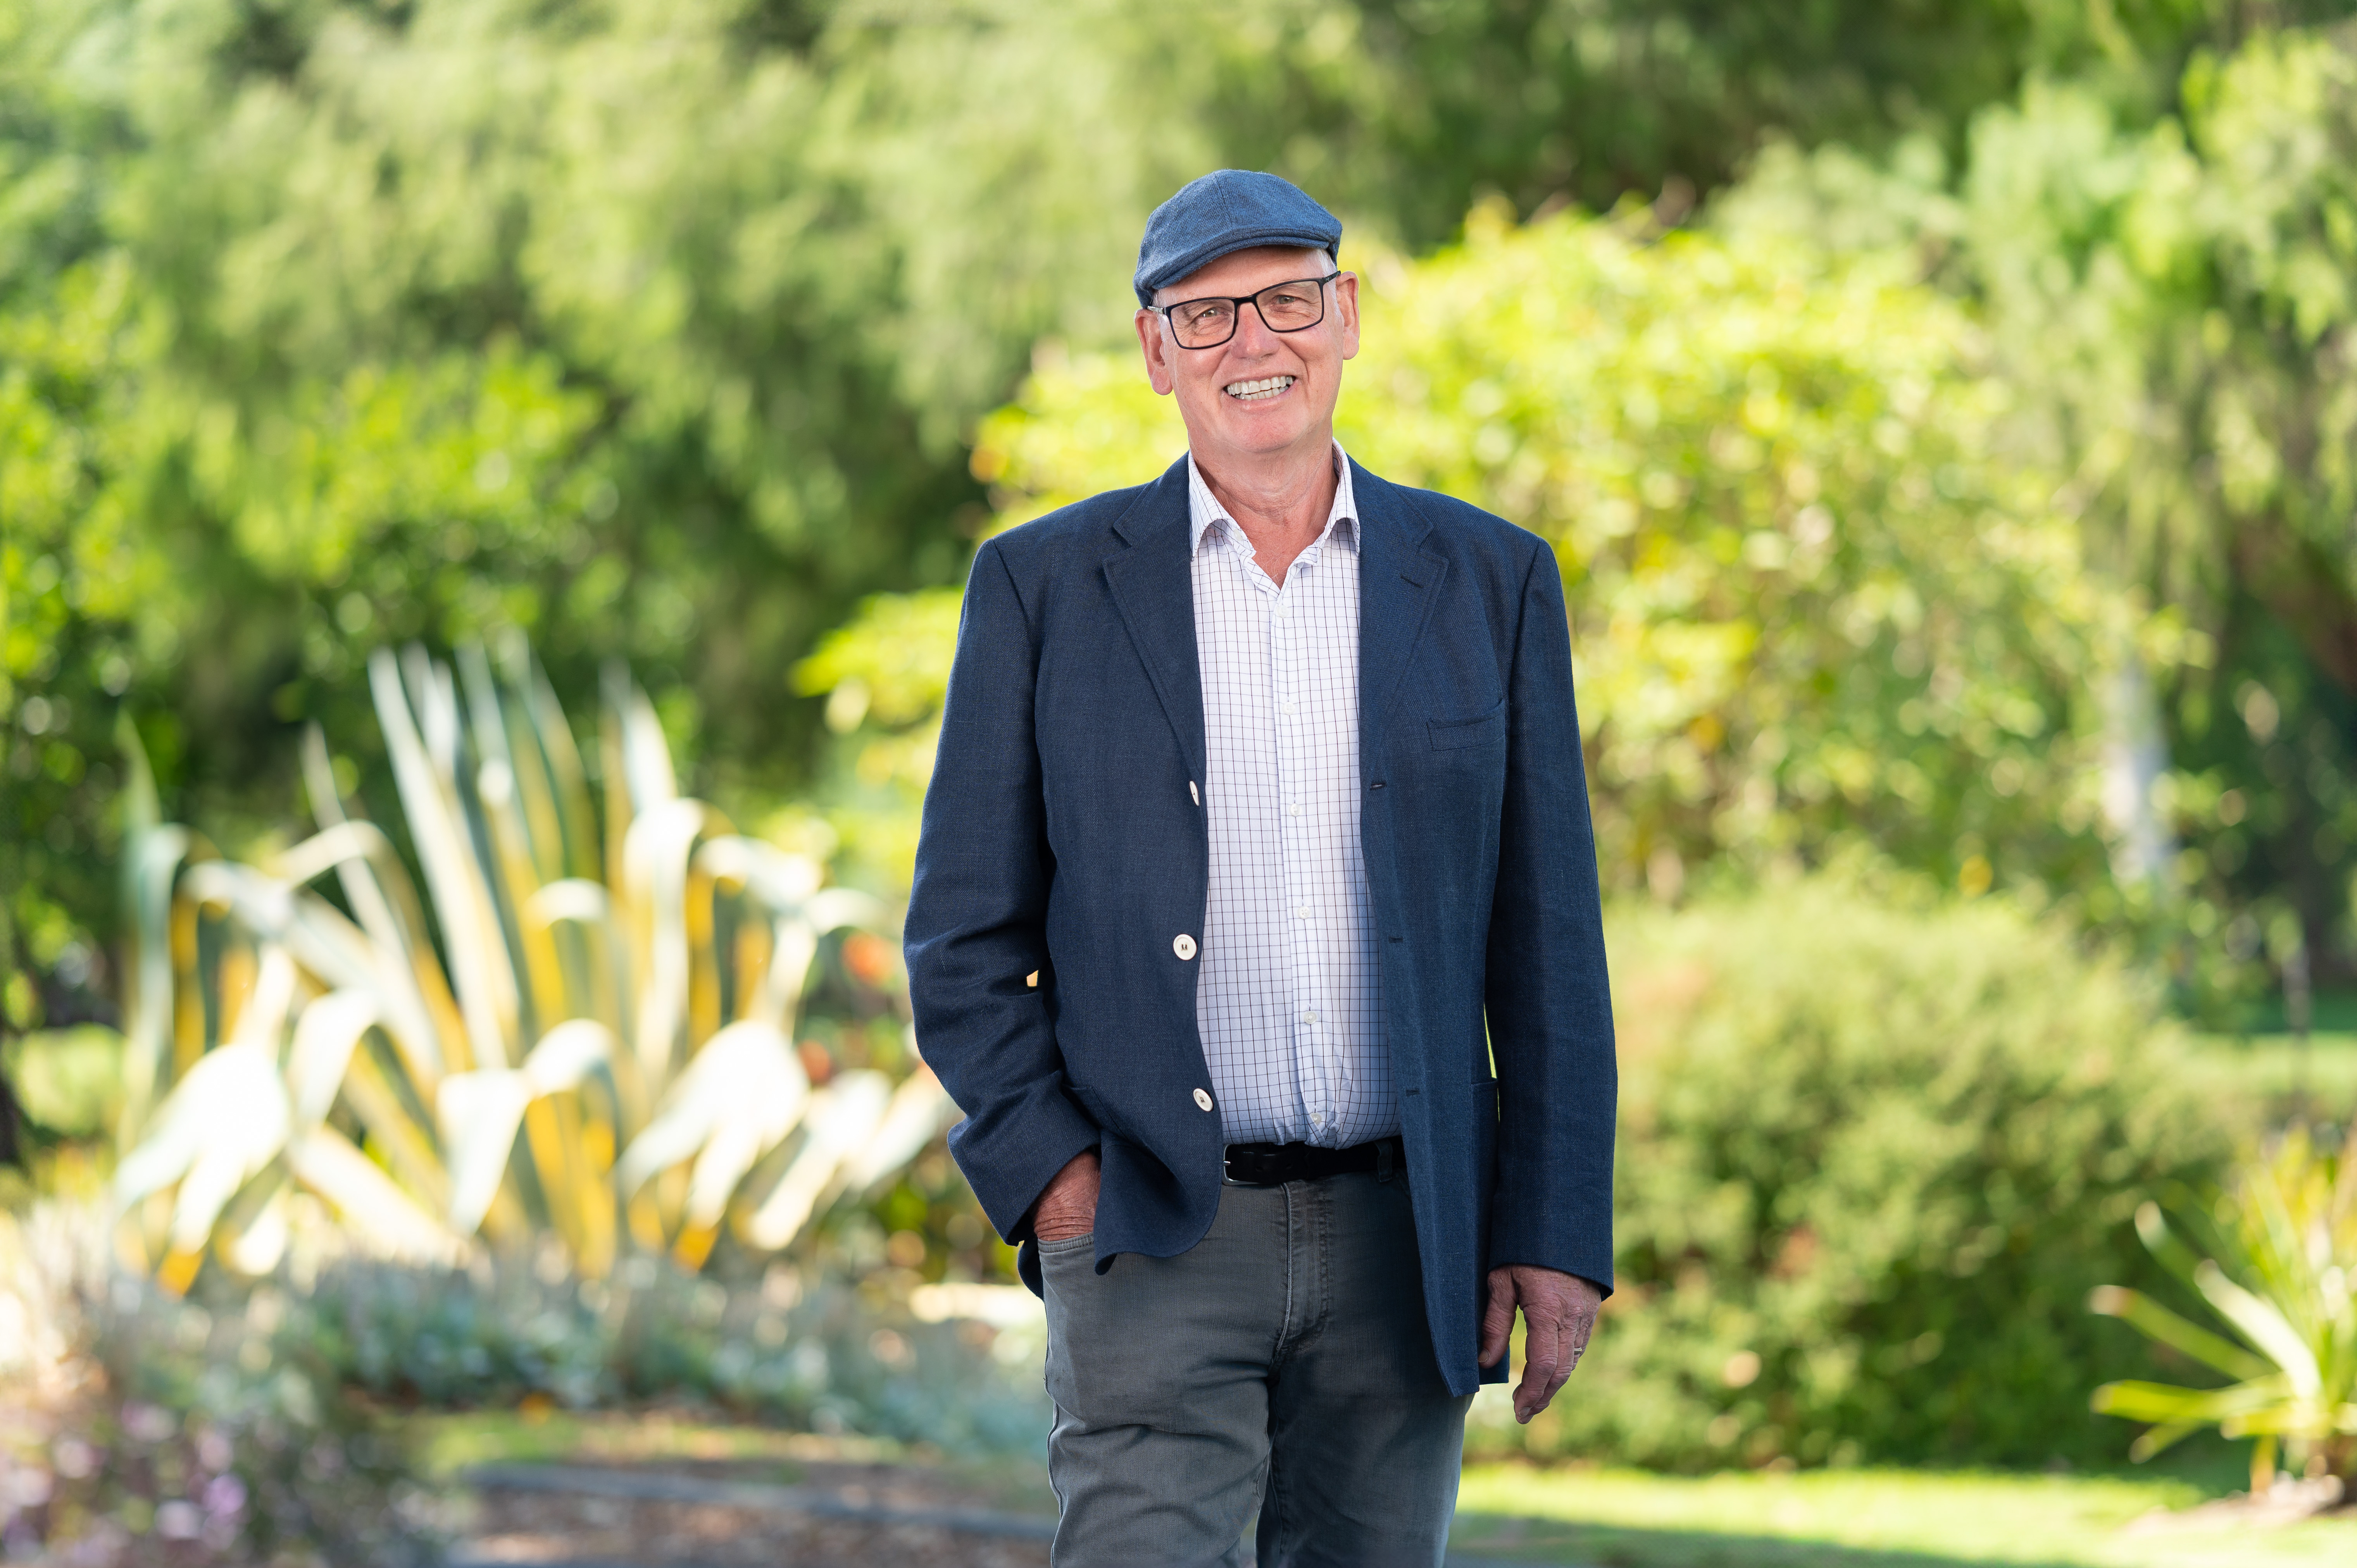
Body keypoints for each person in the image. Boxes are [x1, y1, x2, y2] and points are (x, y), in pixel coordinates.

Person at [904, 169, 1617, 1568]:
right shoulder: (1041, 588)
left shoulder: (1491, 580)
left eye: (1288, 301)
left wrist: (1551, 1224)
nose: (1255, 343)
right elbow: (961, 938)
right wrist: (1050, 1171)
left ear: (1346, 318)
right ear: (1154, 351)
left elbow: (1547, 947)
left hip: (1408, 1233)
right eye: (1208, 315)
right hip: (1153, 1225)